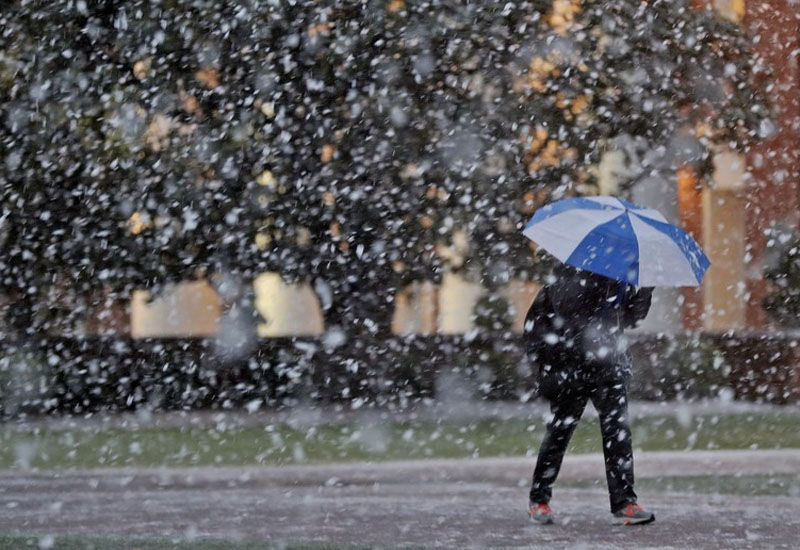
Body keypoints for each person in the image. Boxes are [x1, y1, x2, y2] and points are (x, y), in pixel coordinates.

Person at [523, 264, 655, 525]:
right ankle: (539, 499)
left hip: (608, 367)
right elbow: (571, 318)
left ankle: (624, 502)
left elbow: (630, 319)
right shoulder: (571, 274)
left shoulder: (620, 278)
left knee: (618, 432)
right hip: (571, 366)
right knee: (560, 432)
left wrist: (645, 290)